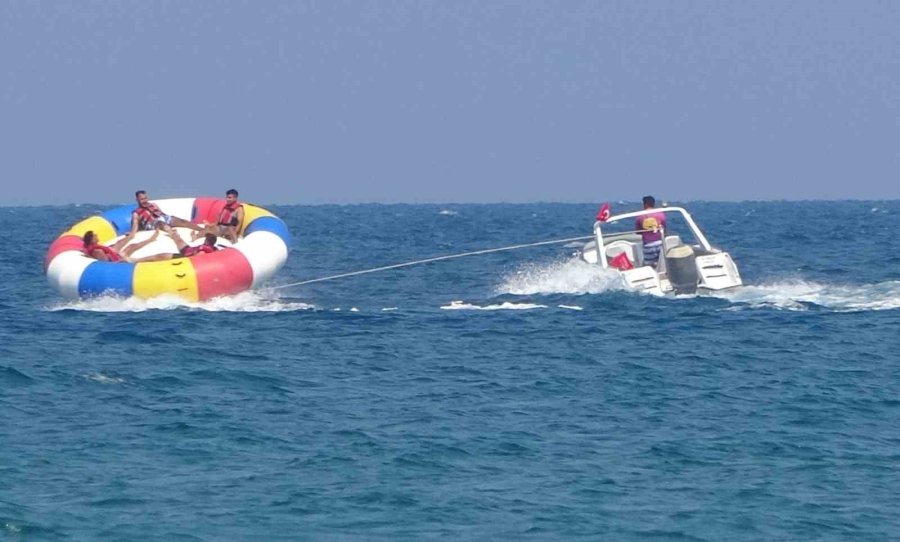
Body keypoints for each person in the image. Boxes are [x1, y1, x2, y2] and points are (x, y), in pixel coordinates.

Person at [130, 190, 204, 235]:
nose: (145, 201)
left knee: (181, 221)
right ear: (137, 200)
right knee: (160, 223)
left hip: (163, 218)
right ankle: (173, 234)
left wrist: (171, 219)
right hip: (152, 224)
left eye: (145, 198)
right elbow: (135, 227)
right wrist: (132, 233)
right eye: (142, 199)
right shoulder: (136, 213)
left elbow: (162, 214)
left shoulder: (154, 205)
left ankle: (202, 230)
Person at [82, 229, 171, 263]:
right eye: (95, 235)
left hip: (119, 256)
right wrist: (121, 260)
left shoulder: (95, 247)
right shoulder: (97, 251)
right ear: (92, 239)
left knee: (131, 246)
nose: (97, 235)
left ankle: (150, 239)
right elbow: (107, 263)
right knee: (151, 258)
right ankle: (164, 256)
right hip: (122, 261)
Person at [635, 195, 667, 269]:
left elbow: (638, 232)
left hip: (648, 245)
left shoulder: (639, 216)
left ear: (645, 204)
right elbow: (664, 228)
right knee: (662, 265)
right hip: (660, 244)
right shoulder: (661, 214)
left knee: (649, 267)